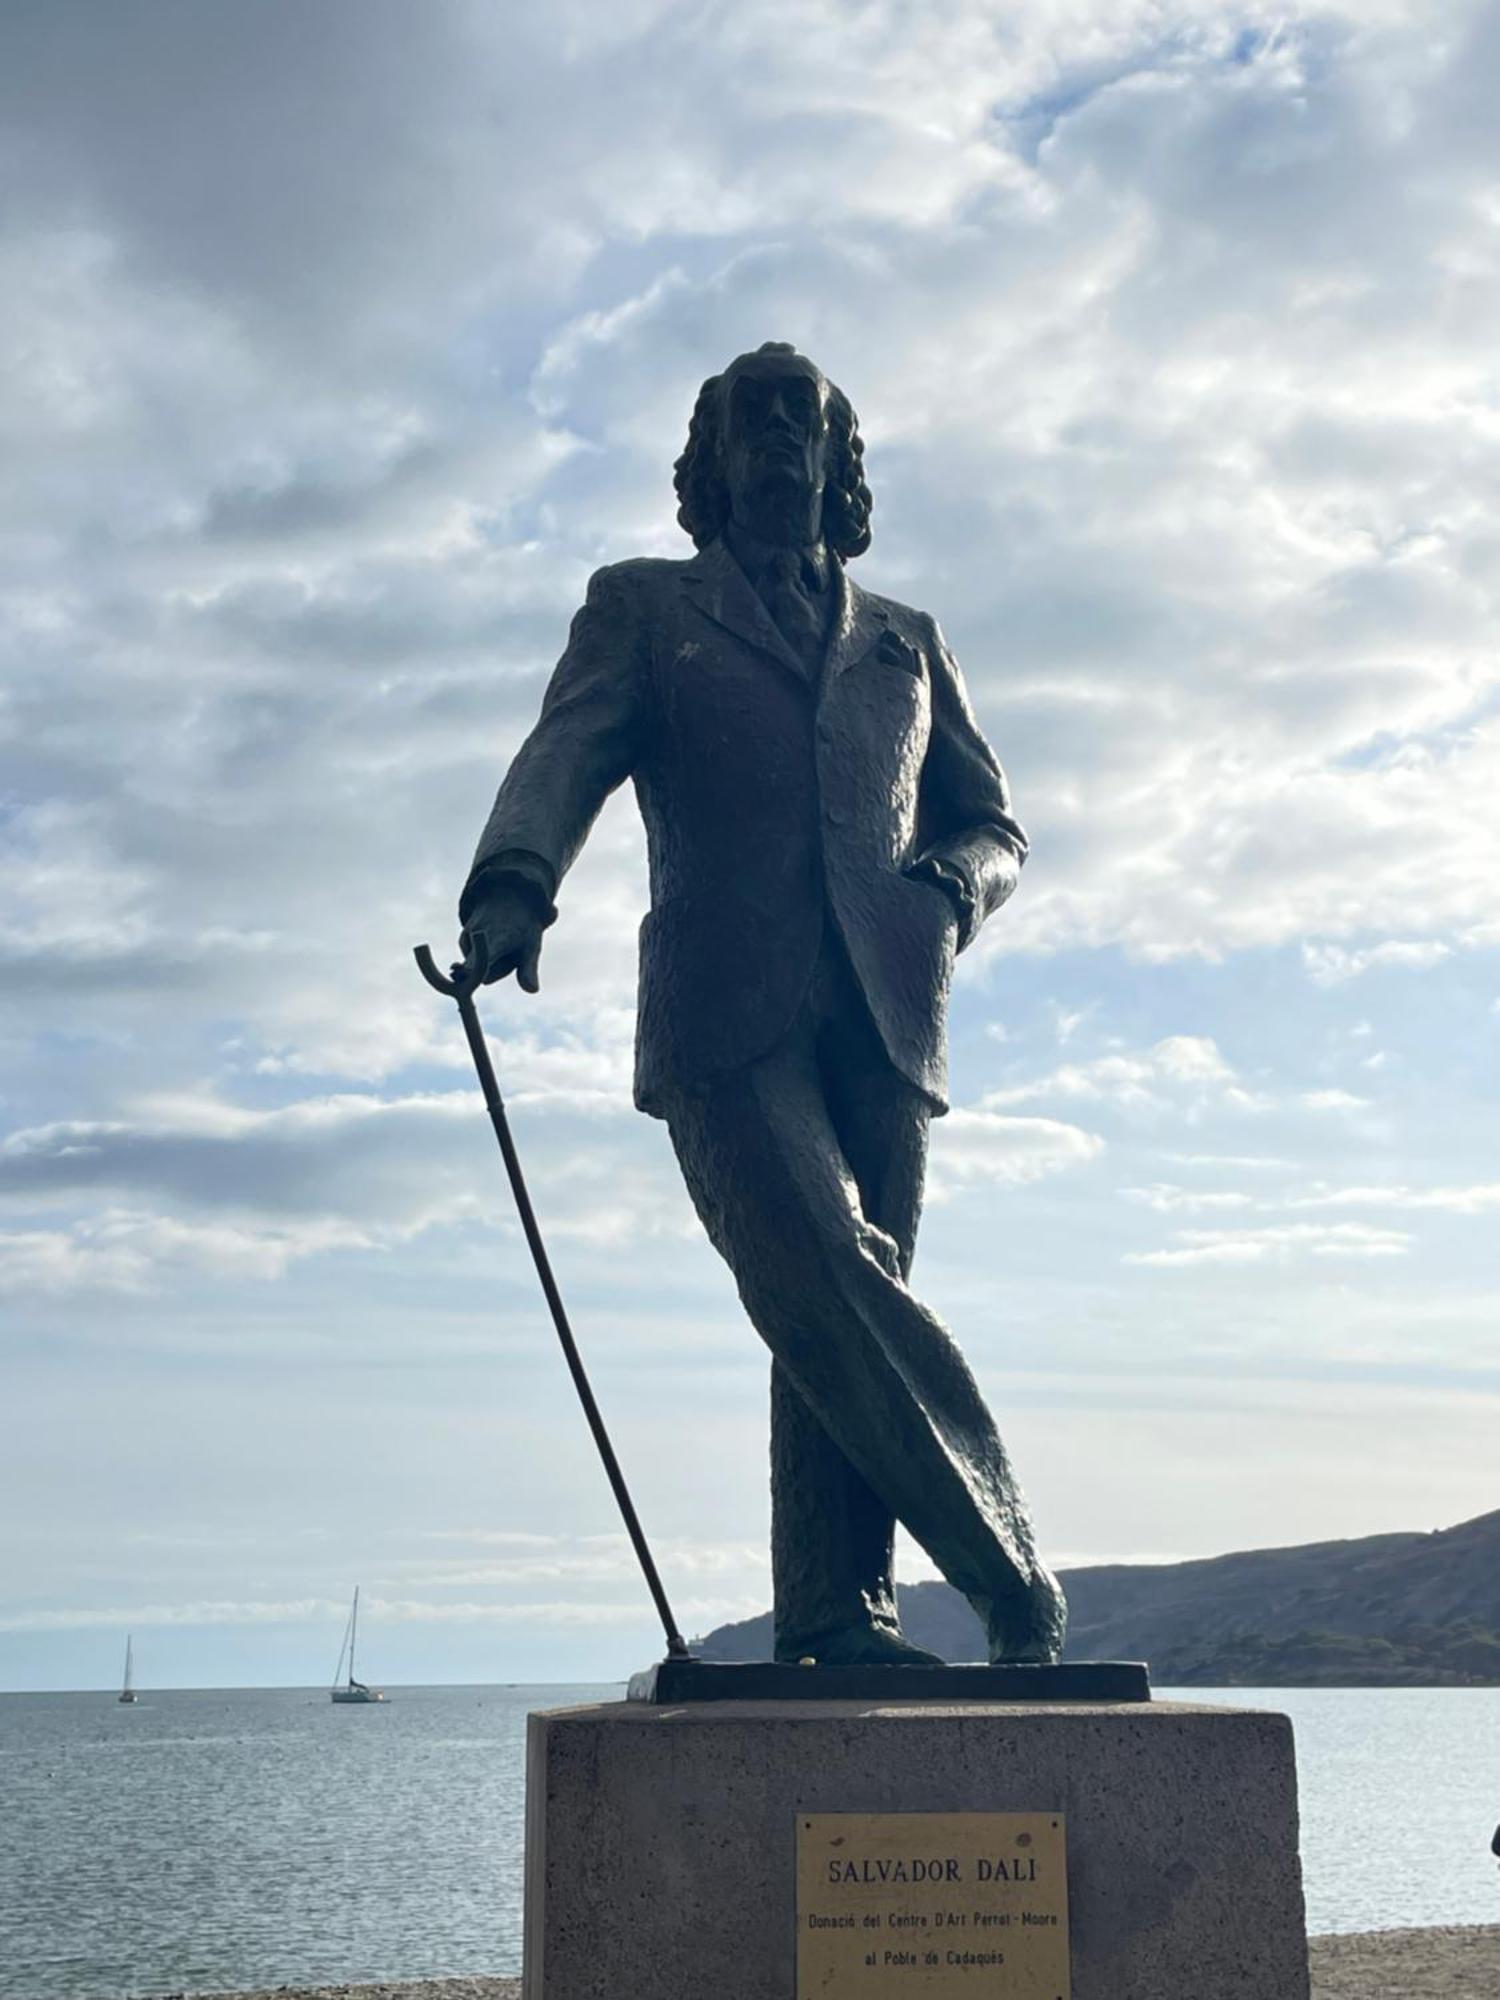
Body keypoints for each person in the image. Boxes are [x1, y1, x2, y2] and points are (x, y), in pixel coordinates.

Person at [456, 342, 1065, 1666]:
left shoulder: (906, 638)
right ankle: (1012, 1573)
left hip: (892, 1002)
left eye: (810, 419)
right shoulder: (644, 607)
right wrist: (514, 881)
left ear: (842, 462)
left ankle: (840, 1620)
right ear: (715, 460)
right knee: (829, 1274)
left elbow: (994, 821)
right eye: (756, 420)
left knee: (825, 1315)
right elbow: (567, 748)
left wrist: (952, 894)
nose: (784, 437)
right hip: (724, 1005)